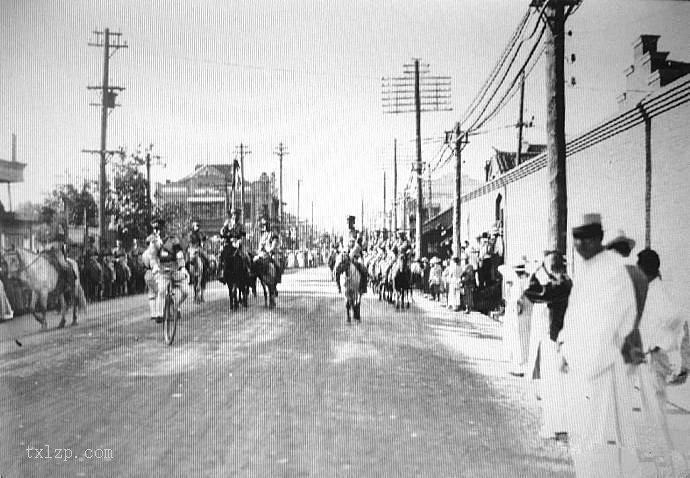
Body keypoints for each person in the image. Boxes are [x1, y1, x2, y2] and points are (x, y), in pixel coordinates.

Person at [557, 213, 640, 476]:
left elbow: (608, 323)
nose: (579, 244)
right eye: (576, 237)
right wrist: (565, 347)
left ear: (599, 239)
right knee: (581, 436)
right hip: (579, 364)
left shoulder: (612, 270)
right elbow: (573, 315)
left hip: (599, 366)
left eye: (586, 238)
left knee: (598, 438)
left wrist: (587, 363)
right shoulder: (588, 268)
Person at [633, 249, 689, 475]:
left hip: (655, 357)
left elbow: (678, 320)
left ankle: (675, 466)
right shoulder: (651, 290)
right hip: (648, 356)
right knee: (650, 407)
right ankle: (656, 452)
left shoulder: (659, 294)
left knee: (656, 410)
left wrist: (657, 344)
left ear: (647, 270)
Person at [524, 250, 572, 440]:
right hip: (561, 337)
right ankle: (559, 424)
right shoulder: (566, 281)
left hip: (556, 338)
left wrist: (538, 272)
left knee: (553, 383)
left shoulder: (560, 284)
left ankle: (555, 426)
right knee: (558, 383)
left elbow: (532, 291)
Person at [145, 218, 185, 323]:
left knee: (185, 291)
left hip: (175, 270)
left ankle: (176, 306)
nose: (157, 231)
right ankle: (159, 314)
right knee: (162, 290)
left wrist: (182, 267)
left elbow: (179, 254)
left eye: (159, 228)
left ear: (164, 228)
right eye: (155, 229)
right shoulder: (154, 242)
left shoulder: (173, 239)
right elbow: (152, 257)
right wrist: (155, 267)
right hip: (162, 271)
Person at [500, 261, 532, 377]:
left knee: (518, 339)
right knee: (521, 339)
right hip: (522, 313)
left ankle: (520, 367)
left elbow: (518, 299)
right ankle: (521, 365)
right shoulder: (524, 282)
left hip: (519, 313)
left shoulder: (519, 284)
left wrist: (516, 307)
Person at [254, 217, 283, 284]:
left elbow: (275, 242)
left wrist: (271, 249)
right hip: (262, 253)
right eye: (264, 225)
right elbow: (260, 244)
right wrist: (259, 250)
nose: (265, 226)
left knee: (276, 263)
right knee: (254, 261)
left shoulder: (273, 233)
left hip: (271, 253)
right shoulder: (263, 235)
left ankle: (277, 278)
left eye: (266, 224)